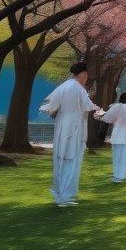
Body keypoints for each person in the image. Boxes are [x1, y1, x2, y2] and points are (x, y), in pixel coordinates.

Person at [40, 62, 103, 207]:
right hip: (74, 129)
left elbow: (51, 107)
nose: (86, 78)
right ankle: (64, 196)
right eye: (86, 75)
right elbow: (87, 105)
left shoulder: (63, 86)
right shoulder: (78, 88)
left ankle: (62, 194)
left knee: (61, 160)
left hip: (62, 127)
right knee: (71, 160)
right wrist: (97, 108)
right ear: (83, 74)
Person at [103, 91, 126, 183]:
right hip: (124, 136)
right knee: (124, 157)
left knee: (116, 157)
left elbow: (107, 118)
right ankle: (121, 176)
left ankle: (116, 175)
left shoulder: (116, 107)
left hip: (116, 134)